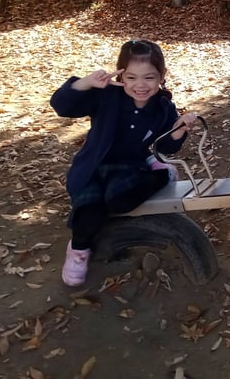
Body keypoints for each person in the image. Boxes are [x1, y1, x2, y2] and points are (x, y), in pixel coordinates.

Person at [50, 39, 198, 287]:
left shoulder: (163, 107)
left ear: (162, 76)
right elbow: (62, 106)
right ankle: (78, 251)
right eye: (131, 77)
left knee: (120, 200)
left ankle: (162, 174)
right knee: (90, 211)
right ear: (120, 75)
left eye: (149, 78)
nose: (140, 85)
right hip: (93, 166)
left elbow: (166, 147)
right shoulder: (106, 95)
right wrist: (86, 82)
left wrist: (179, 130)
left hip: (129, 167)